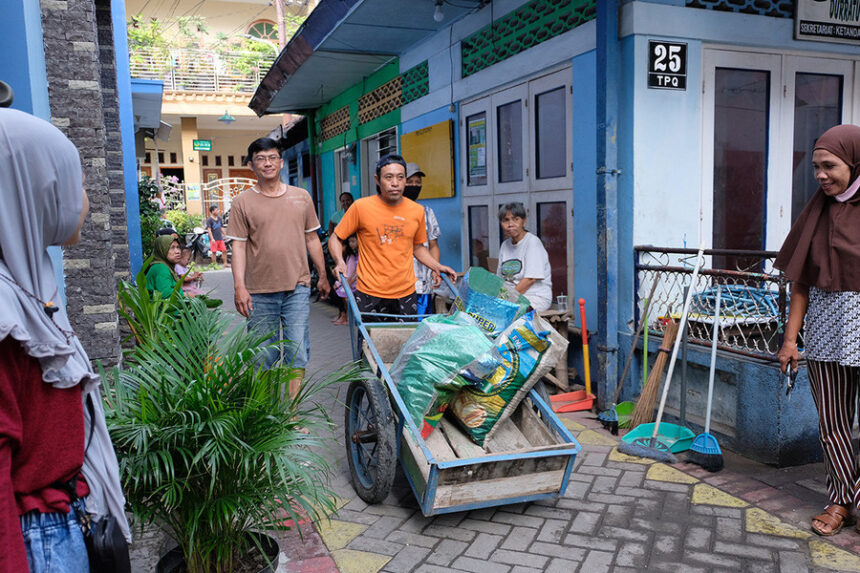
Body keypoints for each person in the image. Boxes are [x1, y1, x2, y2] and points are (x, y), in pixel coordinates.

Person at [0, 108, 130, 571]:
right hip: (36, 539)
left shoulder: (27, 281)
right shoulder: (5, 314)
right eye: (75, 184)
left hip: (62, 517)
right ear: (30, 189)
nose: (85, 202)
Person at [775, 124, 860, 538]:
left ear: (854, 163)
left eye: (830, 166)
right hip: (826, 331)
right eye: (815, 167)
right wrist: (790, 340)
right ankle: (841, 500)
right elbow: (801, 284)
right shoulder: (817, 213)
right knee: (833, 424)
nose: (821, 175)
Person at [227, 137, 330, 399]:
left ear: (281, 162)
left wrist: (323, 275)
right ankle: (266, 411)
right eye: (260, 159)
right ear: (251, 165)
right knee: (263, 354)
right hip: (258, 292)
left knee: (297, 350)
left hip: (297, 287)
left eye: (272, 157)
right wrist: (239, 287)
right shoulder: (242, 202)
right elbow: (238, 246)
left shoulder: (301, 197)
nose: (267, 163)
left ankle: (290, 412)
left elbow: (311, 239)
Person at [330, 154, 456, 319]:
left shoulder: (417, 211)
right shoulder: (361, 207)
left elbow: (417, 247)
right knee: (370, 336)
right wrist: (339, 261)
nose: (395, 183)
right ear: (377, 180)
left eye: (400, 177)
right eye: (388, 177)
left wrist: (437, 266)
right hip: (369, 292)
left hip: (405, 293)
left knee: (405, 335)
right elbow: (336, 237)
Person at [496, 202, 552, 312]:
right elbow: (500, 279)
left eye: (515, 219)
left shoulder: (532, 243)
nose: (510, 224)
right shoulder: (505, 245)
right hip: (512, 298)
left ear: (524, 221)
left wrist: (506, 300)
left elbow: (530, 279)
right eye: (506, 220)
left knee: (504, 314)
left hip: (535, 297)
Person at [403, 162, 442, 315]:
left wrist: (436, 269)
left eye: (418, 182)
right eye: (410, 181)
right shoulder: (390, 212)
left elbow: (433, 245)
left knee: (422, 322)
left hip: (423, 283)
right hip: (399, 284)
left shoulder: (426, 212)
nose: (414, 186)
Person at [145, 235, 184, 299]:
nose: (177, 251)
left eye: (178, 247)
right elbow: (167, 297)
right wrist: (187, 295)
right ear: (162, 249)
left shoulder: (165, 266)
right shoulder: (161, 269)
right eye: (172, 247)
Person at [332, 235, 359, 325]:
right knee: (339, 291)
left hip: (354, 282)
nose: (351, 244)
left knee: (345, 296)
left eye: (353, 241)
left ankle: (348, 316)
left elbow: (354, 272)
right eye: (350, 242)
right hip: (349, 281)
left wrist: (347, 283)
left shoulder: (355, 256)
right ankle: (345, 315)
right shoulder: (349, 256)